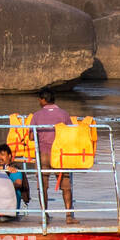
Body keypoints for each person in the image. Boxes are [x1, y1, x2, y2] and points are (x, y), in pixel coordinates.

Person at [31, 88, 75, 223]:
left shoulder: (37, 115)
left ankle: (45, 215)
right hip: (59, 155)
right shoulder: (64, 114)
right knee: (66, 185)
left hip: (43, 153)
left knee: (42, 186)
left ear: (43, 100)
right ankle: (68, 216)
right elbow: (70, 133)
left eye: (39, 99)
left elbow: (32, 136)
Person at [0, 143, 31, 213]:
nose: (0, 158)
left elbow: (18, 183)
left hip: (10, 208)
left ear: (9, 156)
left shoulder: (14, 169)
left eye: (2, 155)